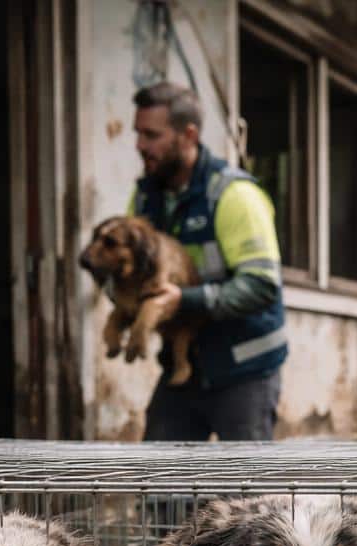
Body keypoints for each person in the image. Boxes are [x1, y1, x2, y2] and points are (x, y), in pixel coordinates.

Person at [128, 82, 286, 441]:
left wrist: (184, 301)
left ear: (189, 135)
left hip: (246, 370)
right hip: (184, 368)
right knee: (160, 489)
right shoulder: (144, 201)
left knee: (247, 492)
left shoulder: (235, 196)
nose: (140, 145)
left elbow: (261, 285)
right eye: (138, 134)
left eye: (151, 135)